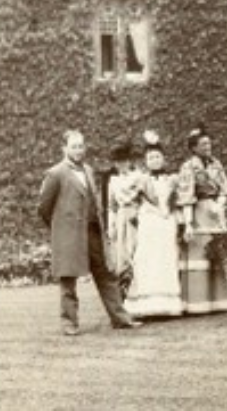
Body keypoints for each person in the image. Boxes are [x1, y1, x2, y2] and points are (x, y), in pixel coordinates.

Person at [36, 130, 140, 336]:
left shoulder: (89, 171)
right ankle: (69, 324)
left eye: (81, 146)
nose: (78, 150)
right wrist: (61, 227)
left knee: (106, 276)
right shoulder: (55, 173)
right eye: (74, 146)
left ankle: (120, 318)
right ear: (64, 148)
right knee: (68, 280)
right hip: (69, 236)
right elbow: (43, 208)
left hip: (92, 232)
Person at [176, 128, 227, 315]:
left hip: (215, 211)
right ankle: (199, 302)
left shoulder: (216, 164)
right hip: (198, 213)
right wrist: (188, 223)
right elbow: (186, 197)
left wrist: (219, 204)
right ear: (194, 148)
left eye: (209, 144)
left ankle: (221, 301)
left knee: (219, 254)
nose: (207, 147)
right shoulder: (188, 167)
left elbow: (225, 188)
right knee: (200, 256)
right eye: (203, 144)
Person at [123, 142, 184, 318]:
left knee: (166, 259)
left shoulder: (172, 179)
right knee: (147, 260)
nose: (155, 160)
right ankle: (145, 305)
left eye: (158, 157)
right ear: (145, 161)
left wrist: (176, 218)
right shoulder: (141, 179)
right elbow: (128, 200)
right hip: (149, 224)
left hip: (166, 224)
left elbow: (179, 201)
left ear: (163, 159)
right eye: (151, 157)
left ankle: (168, 305)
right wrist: (141, 214)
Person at [104, 143, 142, 291]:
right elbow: (112, 206)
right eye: (118, 162)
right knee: (123, 251)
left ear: (130, 161)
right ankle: (126, 288)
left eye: (125, 161)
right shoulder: (113, 181)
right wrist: (111, 226)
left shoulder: (139, 176)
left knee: (138, 248)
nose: (122, 165)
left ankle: (141, 286)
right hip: (121, 217)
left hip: (137, 215)